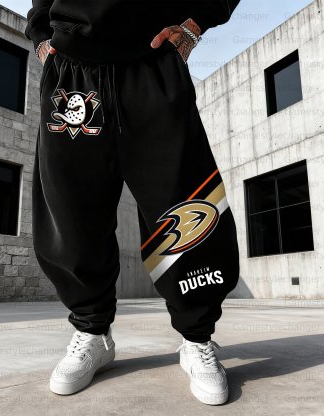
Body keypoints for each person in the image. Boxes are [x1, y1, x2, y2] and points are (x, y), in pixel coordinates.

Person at [25, 0, 241, 406]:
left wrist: (194, 24)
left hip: (153, 60)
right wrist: (41, 37)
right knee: (72, 210)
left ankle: (196, 337)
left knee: (184, 201)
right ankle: (92, 332)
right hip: (72, 68)